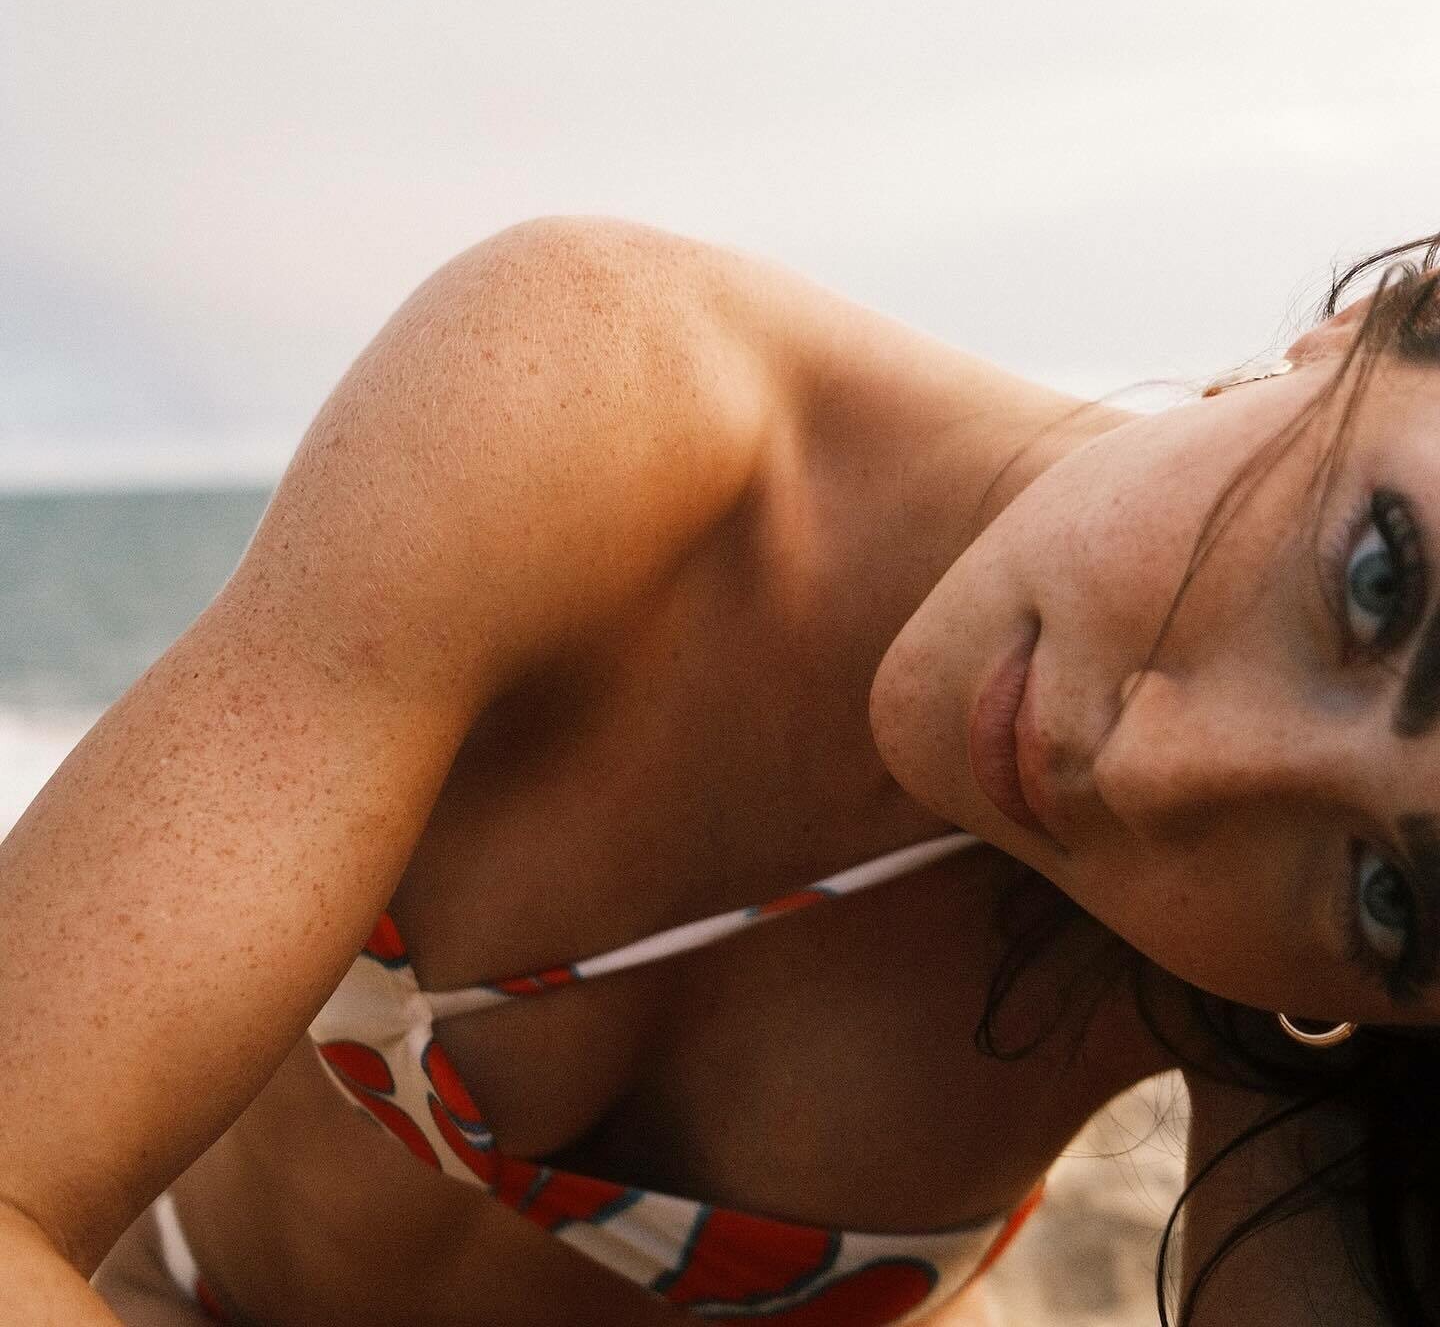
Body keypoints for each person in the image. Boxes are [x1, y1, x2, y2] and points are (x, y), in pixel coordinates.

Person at [0, 214, 1436, 1327]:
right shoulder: (600, 400)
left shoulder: (1272, 988)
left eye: (1390, 892)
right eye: (1376, 578)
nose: (1155, 769)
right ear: (1369, 327)